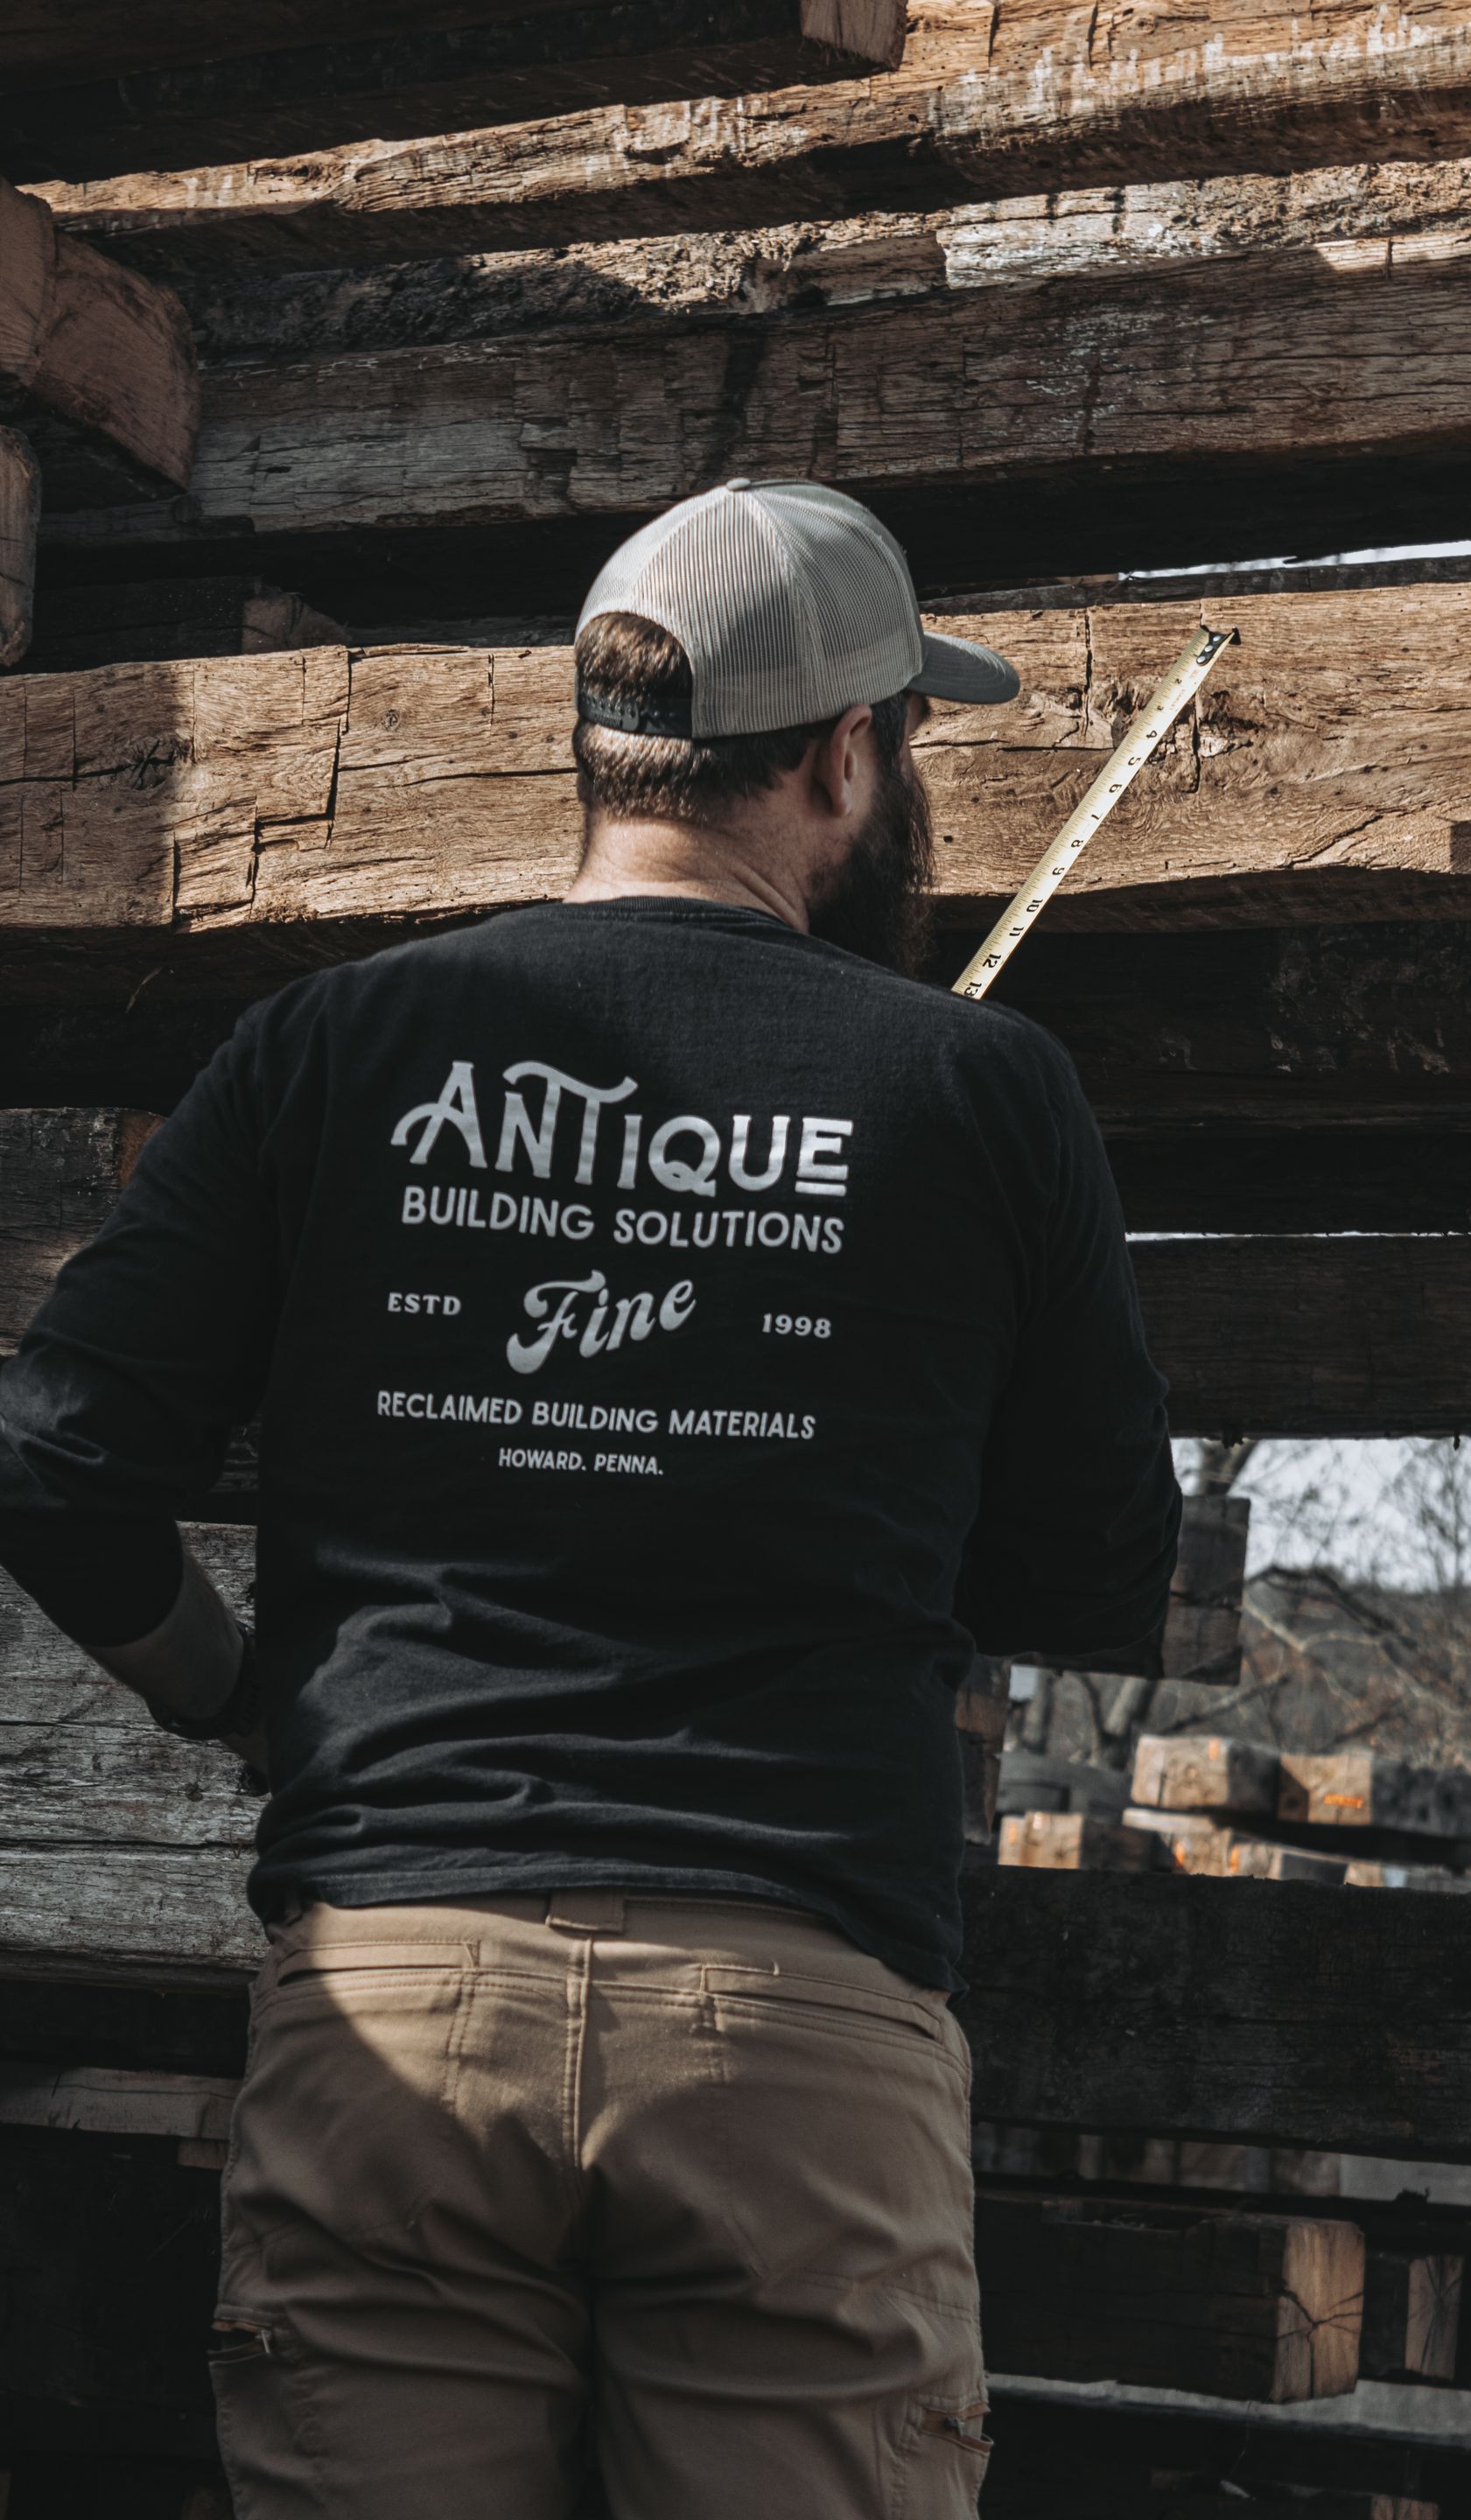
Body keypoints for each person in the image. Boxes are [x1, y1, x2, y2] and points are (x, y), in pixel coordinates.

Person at [0, 479, 1180, 2518]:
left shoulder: (335, 1045)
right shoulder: (978, 1089)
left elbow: (52, 1458)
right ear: (845, 758)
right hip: (793, 2026)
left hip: (398, 2000)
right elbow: (1091, 1562)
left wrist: (236, 1695)